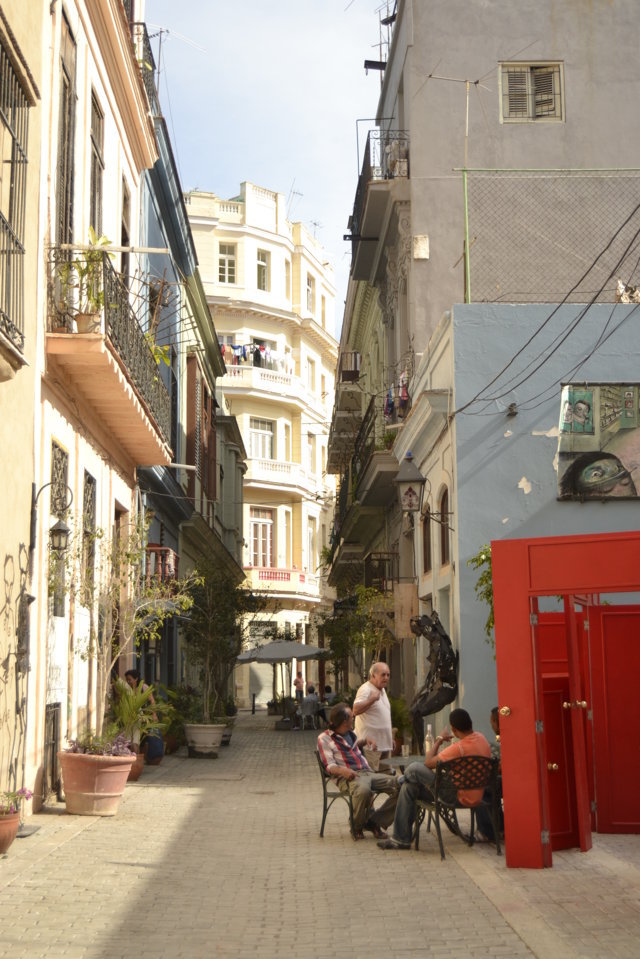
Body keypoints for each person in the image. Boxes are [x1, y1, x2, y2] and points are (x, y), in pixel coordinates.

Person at [378, 707, 491, 850]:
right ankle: (401, 839)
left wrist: (439, 740)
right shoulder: (481, 738)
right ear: (470, 723)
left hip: (455, 795)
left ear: (453, 729)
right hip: (475, 794)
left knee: (414, 768)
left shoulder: (459, 748)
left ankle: (398, 781)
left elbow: (428, 762)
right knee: (409, 787)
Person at [317, 702, 399, 840]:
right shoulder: (324, 738)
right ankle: (357, 825)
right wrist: (344, 771)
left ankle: (375, 821)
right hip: (348, 777)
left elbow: (353, 746)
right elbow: (329, 766)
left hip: (367, 772)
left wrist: (365, 741)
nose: (354, 717)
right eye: (351, 716)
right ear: (344, 722)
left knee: (402, 785)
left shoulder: (350, 733)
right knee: (364, 790)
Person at [353, 662, 393, 758]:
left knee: (386, 773)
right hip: (371, 748)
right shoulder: (365, 689)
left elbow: (382, 716)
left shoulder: (382, 689)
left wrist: (389, 737)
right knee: (373, 773)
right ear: (373, 675)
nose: (386, 678)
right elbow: (355, 710)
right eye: (383, 674)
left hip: (384, 746)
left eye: (388, 675)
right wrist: (371, 700)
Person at [124, 669, 163, 765]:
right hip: (131, 718)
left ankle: (141, 759)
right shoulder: (127, 689)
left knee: (143, 738)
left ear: (136, 678)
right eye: (127, 680)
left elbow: (152, 701)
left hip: (144, 717)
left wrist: (153, 714)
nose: (128, 682)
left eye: (130, 679)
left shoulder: (143, 687)